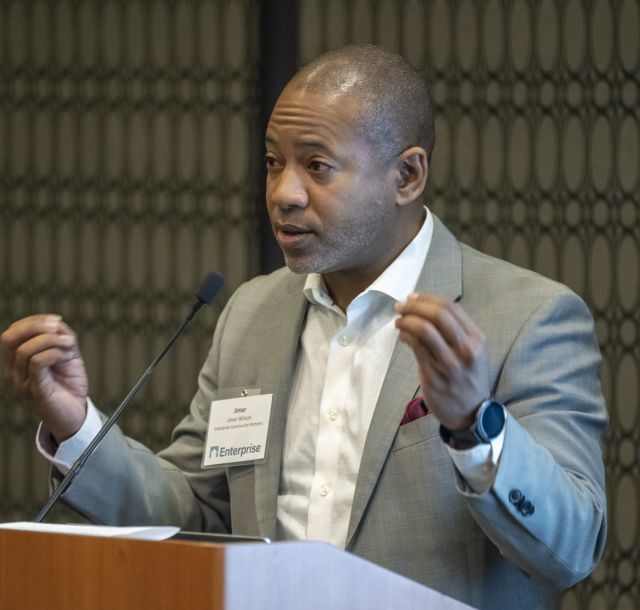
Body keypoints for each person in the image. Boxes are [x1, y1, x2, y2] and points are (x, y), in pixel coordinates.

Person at [1, 46, 607, 610]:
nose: (284, 193)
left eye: (317, 166)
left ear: (408, 177)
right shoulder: (251, 312)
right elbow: (195, 514)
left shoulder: (529, 316)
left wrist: (476, 424)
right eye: (273, 162)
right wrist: (76, 426)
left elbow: (572, 550)